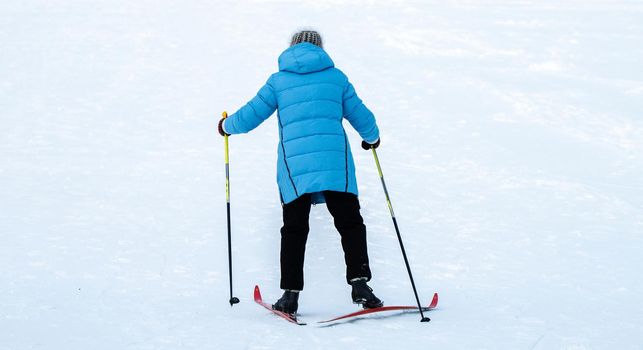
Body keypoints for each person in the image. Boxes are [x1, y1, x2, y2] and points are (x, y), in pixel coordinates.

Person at [218, 30, 382, 315]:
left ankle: (290, 295)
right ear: (320, 48)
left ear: (291, 48)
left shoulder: (278, 82)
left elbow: (251, 114)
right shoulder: (336, 78)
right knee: (350, 223)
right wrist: (372, 138)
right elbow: (362, 116)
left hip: (295, 169)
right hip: (335, 166)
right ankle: (360, 285)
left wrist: (226, 126)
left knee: (294, 229)